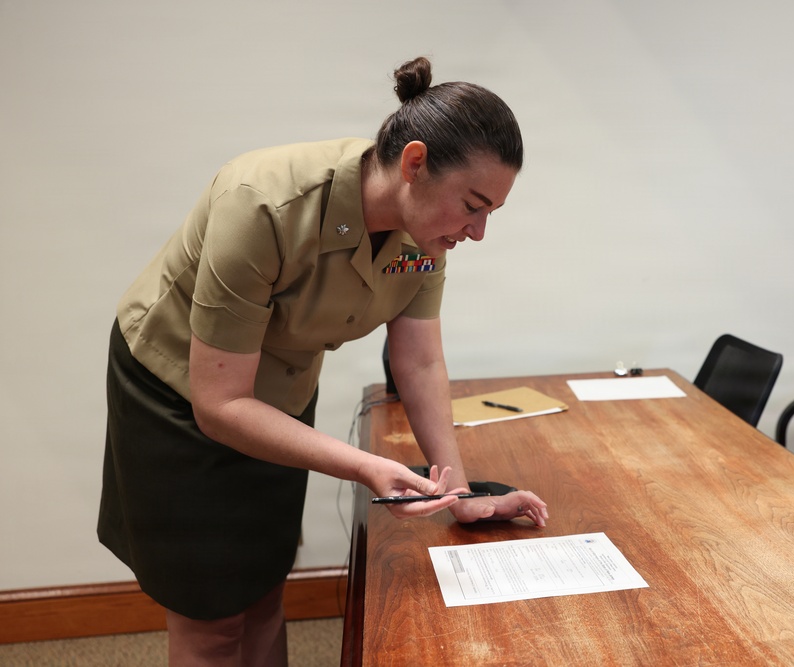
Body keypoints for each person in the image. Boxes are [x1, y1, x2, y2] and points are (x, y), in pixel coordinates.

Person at [98, 56, 548, 666]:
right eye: (473, 205)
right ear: (415, 163)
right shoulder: (262, 204)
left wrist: (460, 493)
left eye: (490, 212)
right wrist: (366, 467)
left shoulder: (422, 237)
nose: (478, 231)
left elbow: (418, 363)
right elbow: (220, 402)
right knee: (212, 620)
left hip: (278, 392)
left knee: (262, 592)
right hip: (176, 394)